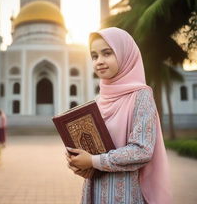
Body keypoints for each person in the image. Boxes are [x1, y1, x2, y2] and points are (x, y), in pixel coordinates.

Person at [66, 27, 172, 204]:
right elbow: (94, 146)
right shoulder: (100, 100)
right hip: (94, 192)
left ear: (125, 54)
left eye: (107, 53)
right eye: (94, 56)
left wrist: (93, 161)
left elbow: (142, 150)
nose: (99, 61)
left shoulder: (140, 96)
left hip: (125, 196)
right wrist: (78, 160)